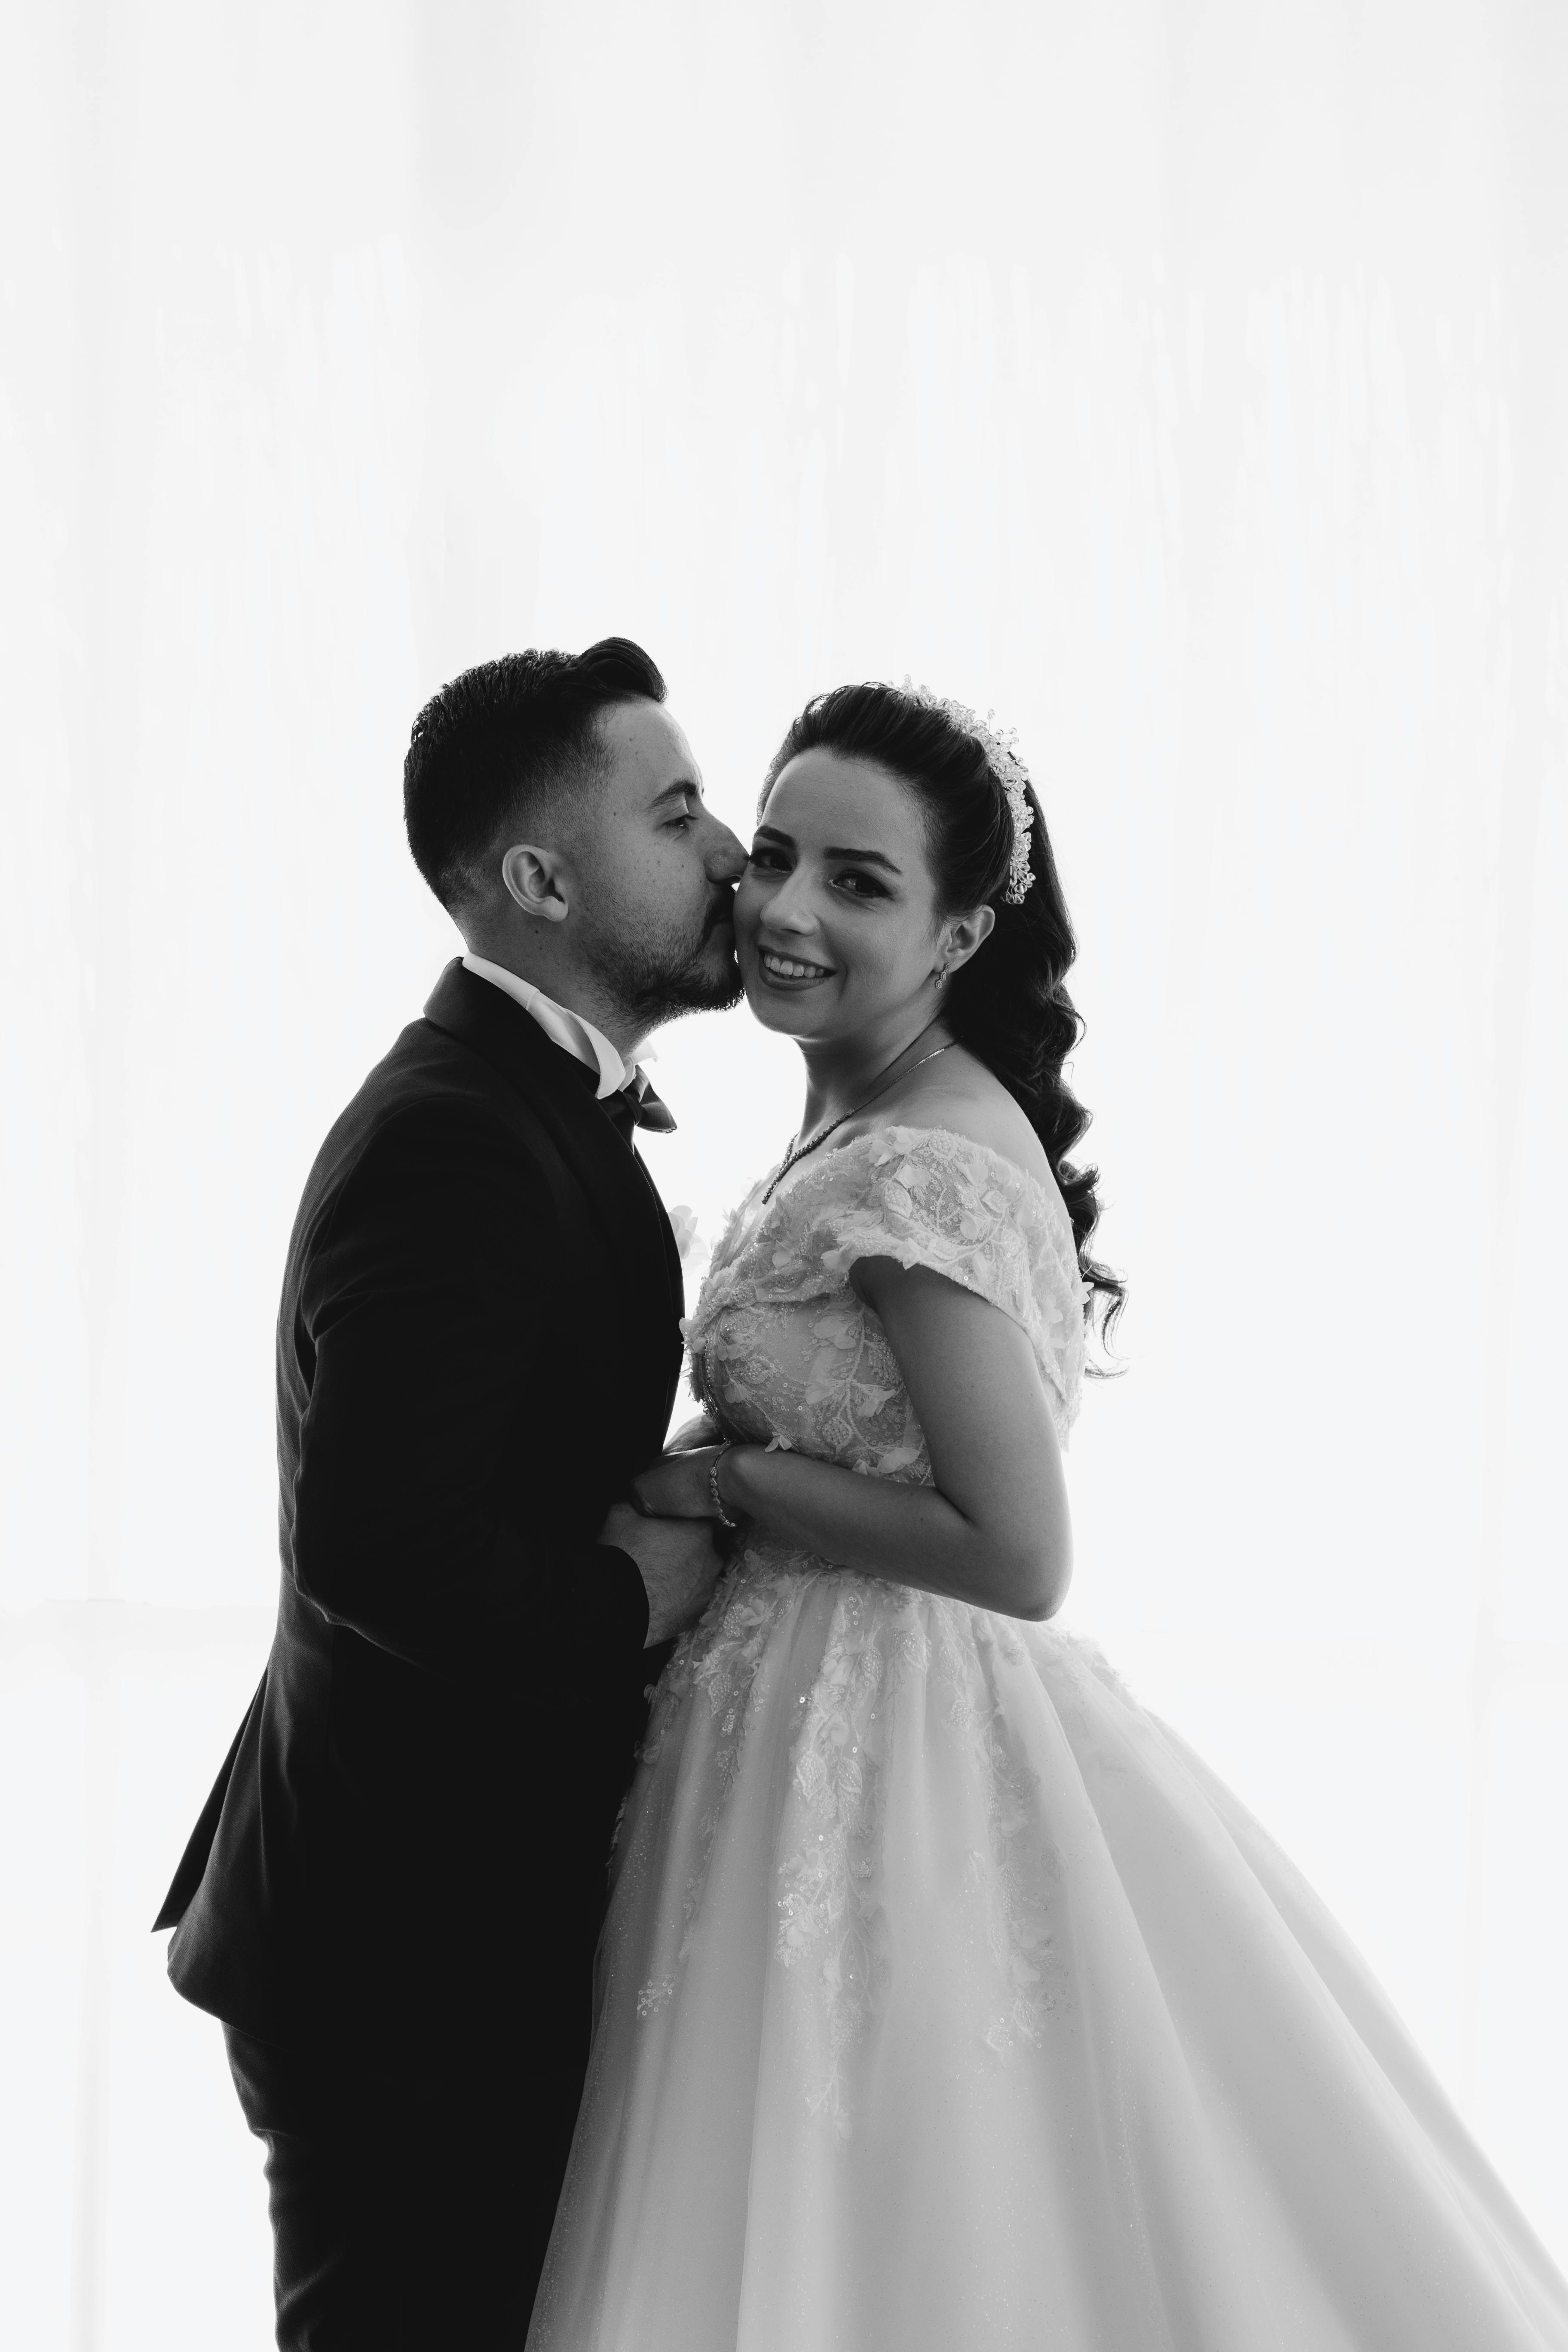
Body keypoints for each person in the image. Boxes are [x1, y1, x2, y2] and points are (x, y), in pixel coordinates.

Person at [527, 680, 1568, 2351]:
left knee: (917, 2221)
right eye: (775, 853)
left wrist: (724, 1483)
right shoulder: (867, 1113)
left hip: (877, 1753)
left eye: (859, 882)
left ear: (957, 933)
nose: (787, 908)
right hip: (792, 1717)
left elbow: (1020, 1554)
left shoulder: (910, 1166)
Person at [153, 638, 748, 2348]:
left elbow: (499, 1460)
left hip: (444, 1926)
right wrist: (634, 1591)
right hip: (400, 1958)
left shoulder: (520, 1108)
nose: (730, 856)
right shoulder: (460, 1137)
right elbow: (380, 1542)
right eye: (681, 811)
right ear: (542, 880)